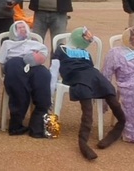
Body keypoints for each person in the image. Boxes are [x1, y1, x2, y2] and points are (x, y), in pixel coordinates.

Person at [50, 27, 126, 160]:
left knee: (109, 90)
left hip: (91, 73)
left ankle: (120, 123)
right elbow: (54, 68)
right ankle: (83, 140)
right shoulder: (60, 49)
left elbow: (91, 67)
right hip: (74, 75)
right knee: (86, 102)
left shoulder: (85, 52)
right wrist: (51, 87)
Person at [0, 21, 51, 137]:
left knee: (44, 74)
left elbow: (44, 53)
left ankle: (37, 127)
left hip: (34, 65)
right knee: (17, 80)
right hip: (14, 63)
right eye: (19, 28)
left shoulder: (34, 43)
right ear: (13, 31)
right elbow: (1, 62)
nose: (22, 29)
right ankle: (16, 125)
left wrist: (36, 58)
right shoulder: (7, 43)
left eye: (24, 27)